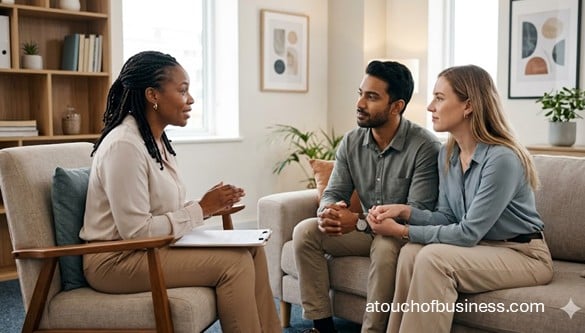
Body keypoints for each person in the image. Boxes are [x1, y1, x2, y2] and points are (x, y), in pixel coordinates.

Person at [79, 50, 281, 333]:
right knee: (234, 263)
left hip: (149, 250)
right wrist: (203, 208)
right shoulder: (124, 146)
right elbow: (136, 233)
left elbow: (159, 213)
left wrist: (207, 205)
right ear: (153, 95)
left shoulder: (156, 142)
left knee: (252, 250)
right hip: (115, 261)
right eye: (183, 90)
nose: (191, 99)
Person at [367, 64, 554, 332]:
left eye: (440, 98)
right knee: (410, 253)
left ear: (468, 106)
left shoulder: (501, 158)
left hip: (523, 254)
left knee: (433, 259)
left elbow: (467, 233)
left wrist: (403, 230)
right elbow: (448, 217)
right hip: (483, 247)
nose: (430, 106)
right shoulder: (448, 154)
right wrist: (405, 211)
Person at [293, 60, 441, 333]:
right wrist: (330, 211)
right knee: (306, 231)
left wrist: (358, 221)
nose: (360, 103)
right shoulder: (352, 142)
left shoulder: (425, 147)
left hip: (399, 234)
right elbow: (335, 191)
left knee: (385, 247)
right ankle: (322, 327)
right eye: (360, 93)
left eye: (372, 97)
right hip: (365, 230)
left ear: (397, 106)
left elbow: (417, 212)